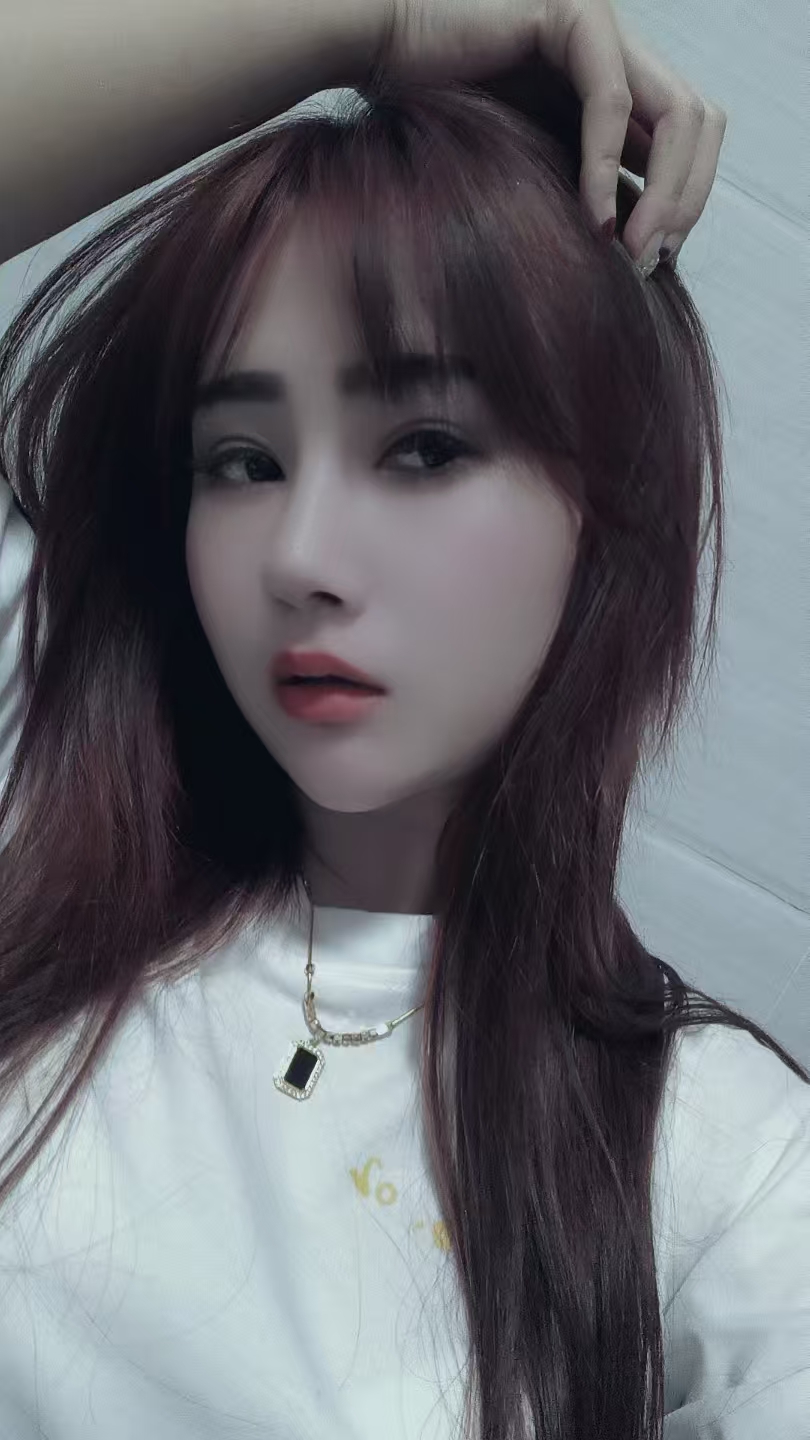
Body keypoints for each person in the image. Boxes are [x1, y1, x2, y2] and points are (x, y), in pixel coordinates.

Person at [0, 3, 807, 1439]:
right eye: (240, 461)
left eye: (424, 448)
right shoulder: (39, 756)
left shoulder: (723, 1172)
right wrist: (365, 18)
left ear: (606, 505)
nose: (301, 555)